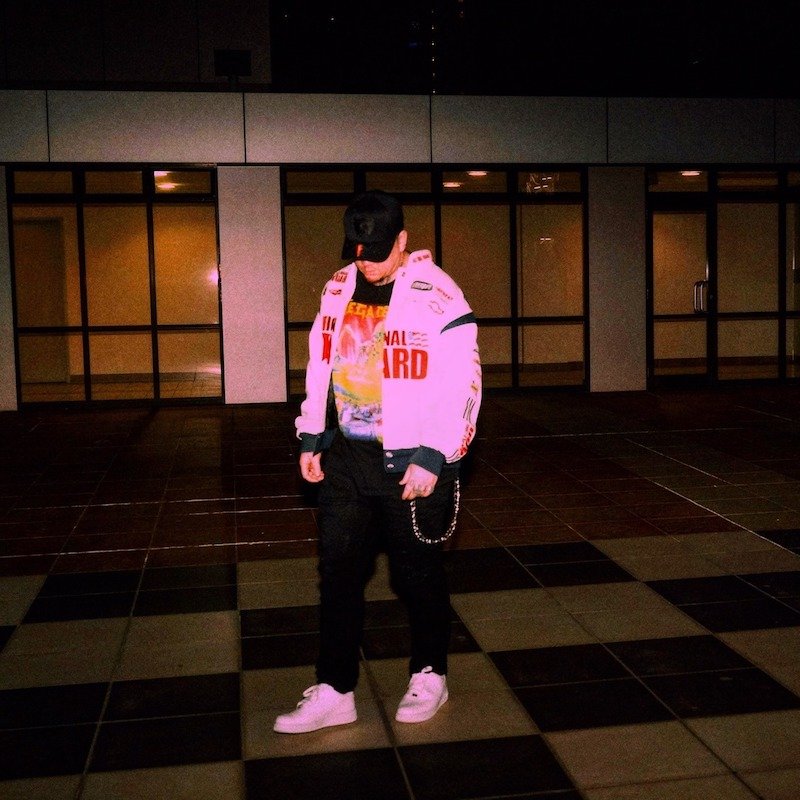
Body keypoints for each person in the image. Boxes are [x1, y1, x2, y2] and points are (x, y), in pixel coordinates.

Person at [274, 189, 481, 734]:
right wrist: (312, 433)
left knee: (418, 575)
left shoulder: (438, 294)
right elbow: (321, 363)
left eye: (378, 252)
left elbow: (464, 381)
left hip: (413, 462)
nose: (366, 262)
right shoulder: (338, 286)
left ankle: (430, 673)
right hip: (346, 459)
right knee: (337, 574)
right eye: (358, 251)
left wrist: (435, 454)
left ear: (403, 240)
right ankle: (335, 688)